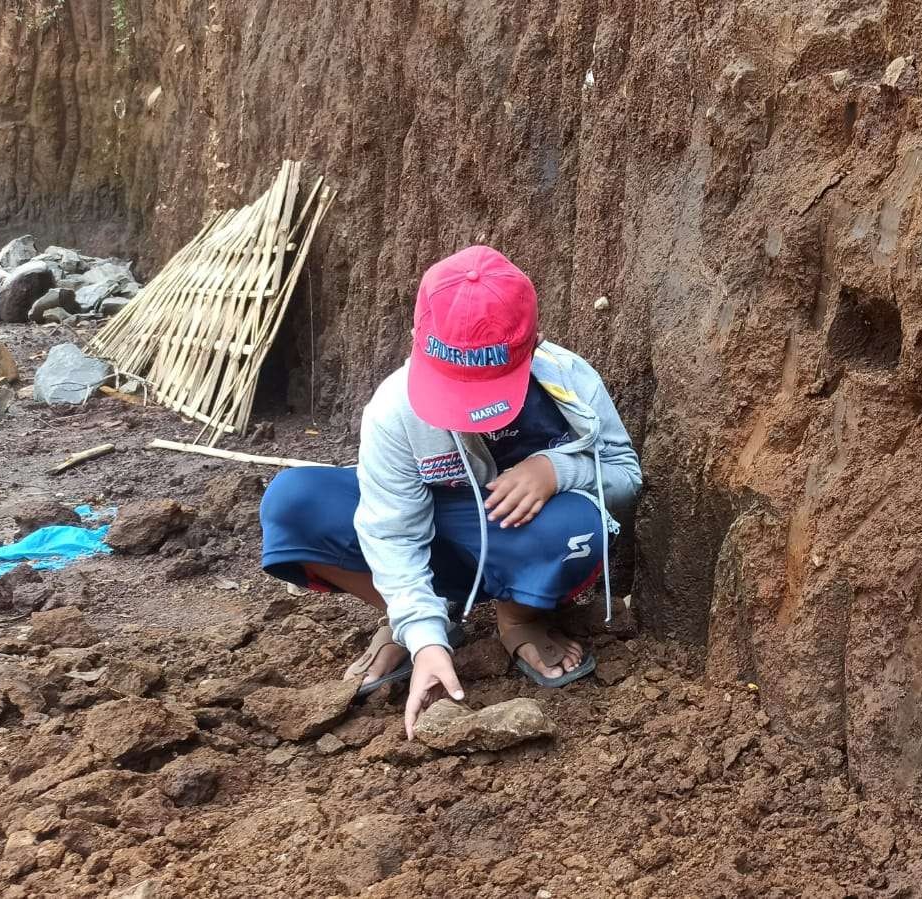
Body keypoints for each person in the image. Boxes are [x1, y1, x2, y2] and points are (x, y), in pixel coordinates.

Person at [258, 245, 641, 737]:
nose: (468, 412)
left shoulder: (568, 381)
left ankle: (518, 621)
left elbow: (625, 476)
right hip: (436, 537)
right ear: (418, 343)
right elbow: (392, 531)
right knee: (294, 502)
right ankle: (415, 621)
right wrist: (423, 637)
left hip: (518, 544)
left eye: (486, 388)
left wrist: (555, 470)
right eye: (455, 389)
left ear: (534, 346)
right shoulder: (395, 409)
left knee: (578, 528)